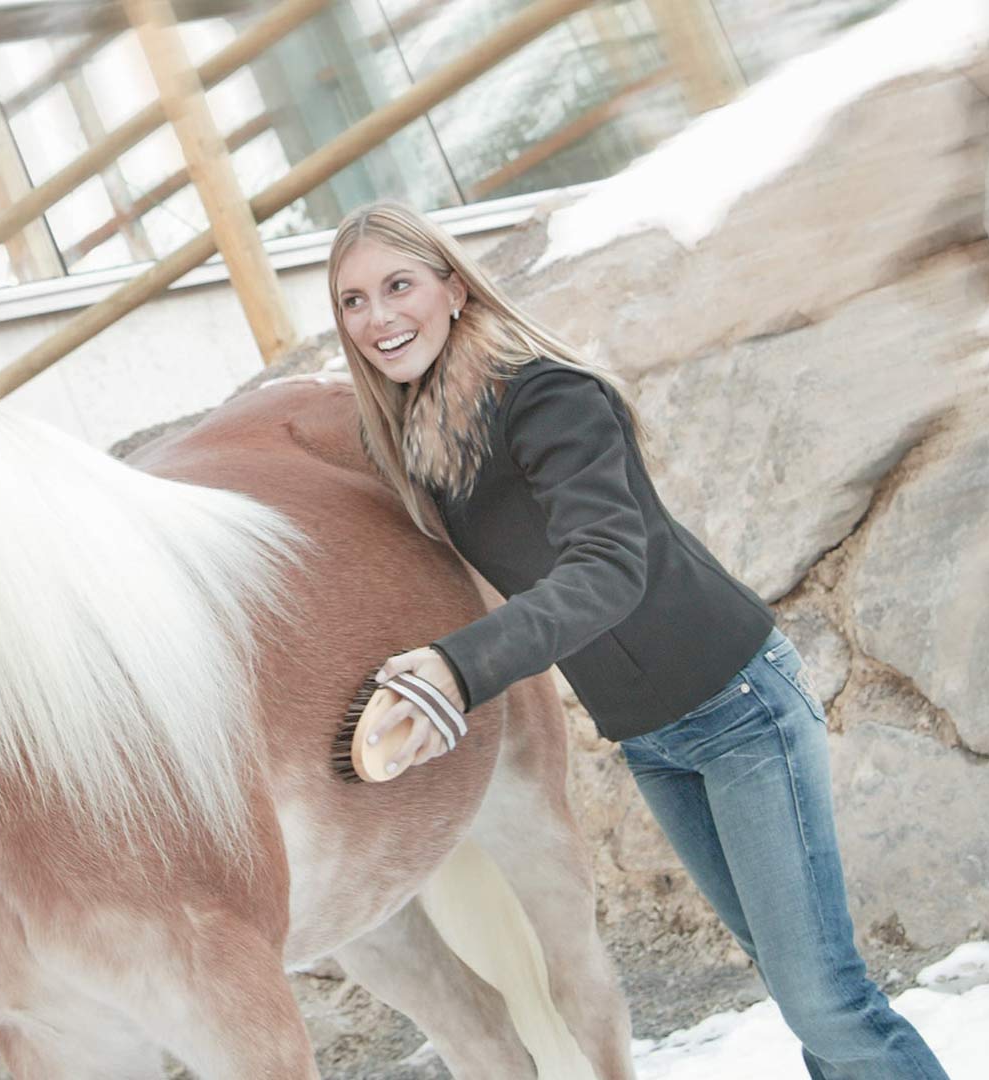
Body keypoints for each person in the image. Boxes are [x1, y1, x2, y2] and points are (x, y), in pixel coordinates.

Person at [328, 200, 949, 1080]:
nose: (378, 317)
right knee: (796, 984)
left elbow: (608, 569)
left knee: (826, 999)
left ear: (455, 288)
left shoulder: (546, 397)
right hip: (653, 736)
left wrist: (456, 670)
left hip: (740, 707)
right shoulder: (419, 435)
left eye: (398, 286)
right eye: (352, 301)